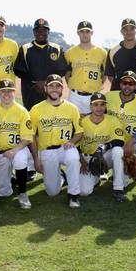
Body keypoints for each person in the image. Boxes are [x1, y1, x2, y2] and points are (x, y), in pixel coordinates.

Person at [29, 74, 83, 208]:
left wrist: (72, 141)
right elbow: (31, 136)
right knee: (52, 192)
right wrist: (36, 159)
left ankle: (73, 195)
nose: (54, 89)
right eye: (51, 86)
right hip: (47, 151)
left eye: (58, 86)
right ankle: (61, 177)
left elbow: (79, 131)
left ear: (62, 89)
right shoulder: (36, 109)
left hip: (65, 148)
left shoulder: (72, 108)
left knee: (73, 157)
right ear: (45, 88)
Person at [0, 79, 34, 209]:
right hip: (0, 153)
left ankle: (23, 194)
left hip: (18, 149)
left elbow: (27, 138)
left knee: (20, 160)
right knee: (3, 193)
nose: (6, 94)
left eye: (9, 91)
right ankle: (12, 179)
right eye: (3, 91)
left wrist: (14, 150)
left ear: (14, 92)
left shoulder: (22, 111)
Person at [77, 92, 127, 201]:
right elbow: (76, 145)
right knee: (84, 191)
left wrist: (103, 147)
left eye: (102, 104)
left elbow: (119, 141)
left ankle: (118, 188)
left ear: (105, 106)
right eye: (96, 104)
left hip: (104, 157)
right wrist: (82, 162)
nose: (99, 108)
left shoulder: (113, 120)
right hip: (87, 159)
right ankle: (96, 177)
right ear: (90, 106)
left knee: (118, 151)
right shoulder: (82, 121)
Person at [14, 18, 68, 110]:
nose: (41, 33)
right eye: (38, 30)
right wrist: (36, 83)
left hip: (51, 92)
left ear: (48, 32)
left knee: (51, 120)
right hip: (31, 93)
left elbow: (62, 70)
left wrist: (46, 83)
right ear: (34, 32)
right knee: (32, 120)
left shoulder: (57, 49)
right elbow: (19, 70)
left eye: (44, 30)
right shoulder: (25, 49)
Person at [65, 21, 108, 115]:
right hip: (74, 96)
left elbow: (104, 73)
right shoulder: (70, 52)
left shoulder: (102, 52)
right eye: (82, 31)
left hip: (94, 95)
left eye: (87, 31)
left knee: (94, 124)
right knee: (74, 124)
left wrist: (96, 84)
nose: (84, 34)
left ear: (92, 33)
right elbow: (67, 73)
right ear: (78, 33)